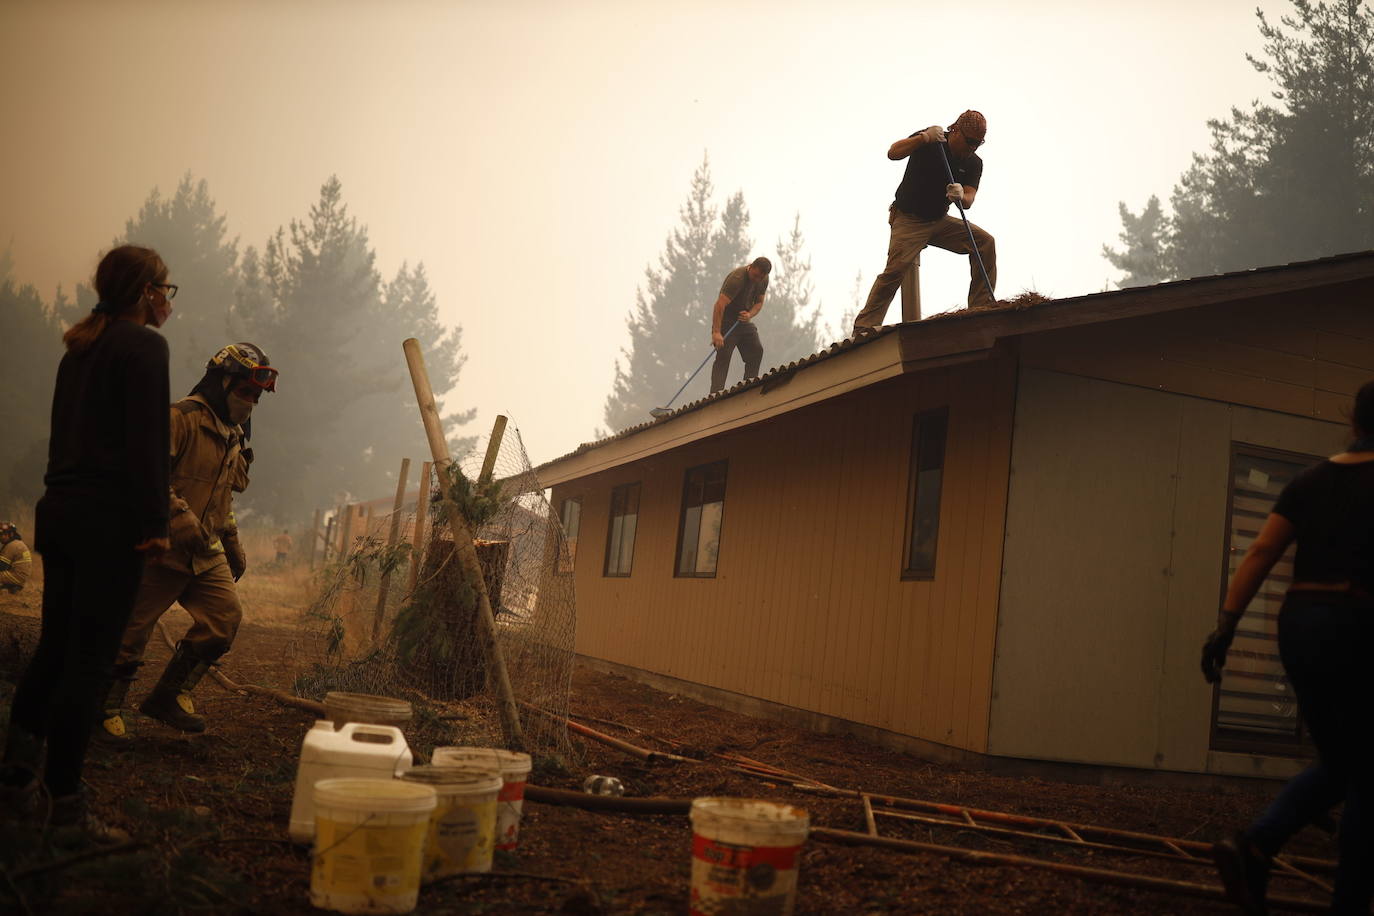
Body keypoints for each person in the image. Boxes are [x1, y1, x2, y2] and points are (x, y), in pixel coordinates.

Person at [0, 245, 173, 833]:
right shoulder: (146, 347)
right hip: (109, 524)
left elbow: (62, 442)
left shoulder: (79, 348)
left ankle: (17, 782)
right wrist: (155, 524)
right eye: (165, 289)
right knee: (90, 664)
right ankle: (66, 804)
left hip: (62, 514)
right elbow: (148, 444)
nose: (168, 301)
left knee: (55, 648)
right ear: (146, 292)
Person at [1200, 379, 1374, 914]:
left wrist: (1226, 624)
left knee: (1344, 762)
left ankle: (1255, 845)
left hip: (1301, 626)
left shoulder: (1309, 481)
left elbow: (1260, 552)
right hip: (1358, 622)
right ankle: (1348, 899)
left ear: (1353, 421)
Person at [98, 342, 277, 742]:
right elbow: (146, 474)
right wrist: (176, 518)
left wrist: (231, 539)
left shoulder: (233, 433)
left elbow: (224, 494)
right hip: (160, 544)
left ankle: (168, 696)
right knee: (131, 631)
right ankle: (103, 708)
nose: (249, 402)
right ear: (221, 381)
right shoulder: (181, 417)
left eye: (255, 396)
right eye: (244, 391)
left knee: (224, 619)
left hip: (206, 548)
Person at [853, 109, 995, 334]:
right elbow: (893, 153)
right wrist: (923, 138)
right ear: (955, 130)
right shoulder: (931, 142)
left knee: (985, 243)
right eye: (969, 141)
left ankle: (981, 308)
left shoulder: (973, 163)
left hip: (938, 220)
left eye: (978, 143)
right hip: (908, 219)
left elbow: (969, 198)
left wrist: (961, 196)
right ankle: (863, 327)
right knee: (895, 271)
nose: (972, 148)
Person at [710, 256, 771, 394]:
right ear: (751, 266)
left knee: (756, 350)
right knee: (723, 356)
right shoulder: (737, 279)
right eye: (755, 276)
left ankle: (748, 387)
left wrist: (750, 314)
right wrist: (716, 332)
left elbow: (759, 302)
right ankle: (715, 395)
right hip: (726, 320)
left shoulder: (763, 279)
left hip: (742, 321)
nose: (757, 280)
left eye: (760, 277)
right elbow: (719, 305)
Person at [0, 522, 32, 593]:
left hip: (15, 575)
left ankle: (10, 586)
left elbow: (2, 566)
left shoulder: (11, 545)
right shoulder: (17, 543)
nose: (1, 537)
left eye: (3, 534)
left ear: (11, 534)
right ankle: (11, 587)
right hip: (21, 577)